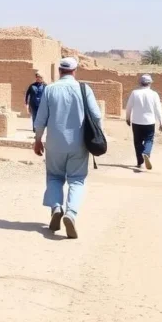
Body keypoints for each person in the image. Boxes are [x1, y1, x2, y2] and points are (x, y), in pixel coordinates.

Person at [33, 56, 102, 239]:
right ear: (74, 71)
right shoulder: (84, 89)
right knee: (77, 180)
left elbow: (40, 119)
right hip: (79, 144)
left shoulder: (50, 89)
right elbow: (96, 116)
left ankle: (56, 207)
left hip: (55, 144)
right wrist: (96, 137)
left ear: (59, 71)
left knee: (54, 177)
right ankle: (71, 213)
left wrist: (38, 140)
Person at [125, 74, 162, 170]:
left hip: (136, 122)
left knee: (137, 142)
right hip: (149, 122)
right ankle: (146, 153)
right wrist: (161, 122)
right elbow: (158, 109)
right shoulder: (154, 94)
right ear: (150, 83)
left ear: (140, 83)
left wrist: (128, 118)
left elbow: (129, 107)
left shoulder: (134, 93)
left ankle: (140, 162)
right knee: (149, 139)